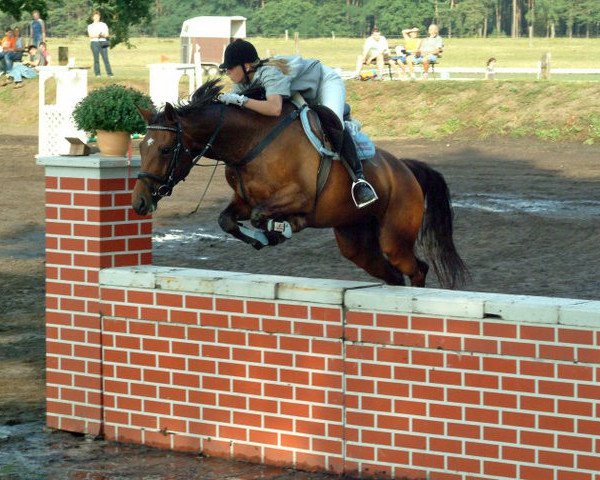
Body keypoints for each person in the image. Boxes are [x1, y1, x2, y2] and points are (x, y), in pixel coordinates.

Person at [218, 39, 378, 209]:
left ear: (247, 66)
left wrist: (241, 101)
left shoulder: (270, 73)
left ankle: (359, 181)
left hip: (325, 83)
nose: (227, 71)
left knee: (333, 122)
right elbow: (241, 105)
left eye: (230, 67)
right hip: (300, 93)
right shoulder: (243, 82)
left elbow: (274, 108)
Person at [87, 10, 113, 77]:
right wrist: (97, 35)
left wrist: (103, 35)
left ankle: (109, 74)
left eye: (98, 16)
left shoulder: (103, 24)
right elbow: (90, 36)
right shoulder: (90, 26)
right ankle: (98, 74)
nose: (96, 18)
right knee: (96, 59)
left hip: (103, 42)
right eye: (95, 16)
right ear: (92, 17)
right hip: (94, 42)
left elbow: (107, 34)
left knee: (105, 59)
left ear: (99, 17)